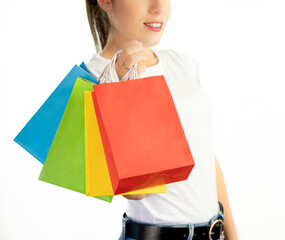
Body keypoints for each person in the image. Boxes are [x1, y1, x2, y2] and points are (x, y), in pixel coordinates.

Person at [84, 0, 238, 239]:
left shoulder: (183, 64)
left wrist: (232, 235)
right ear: (105, 1)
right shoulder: (93, 79)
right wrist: (124, 92)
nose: (159, 7)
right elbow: (136, 192)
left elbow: (205, 157)